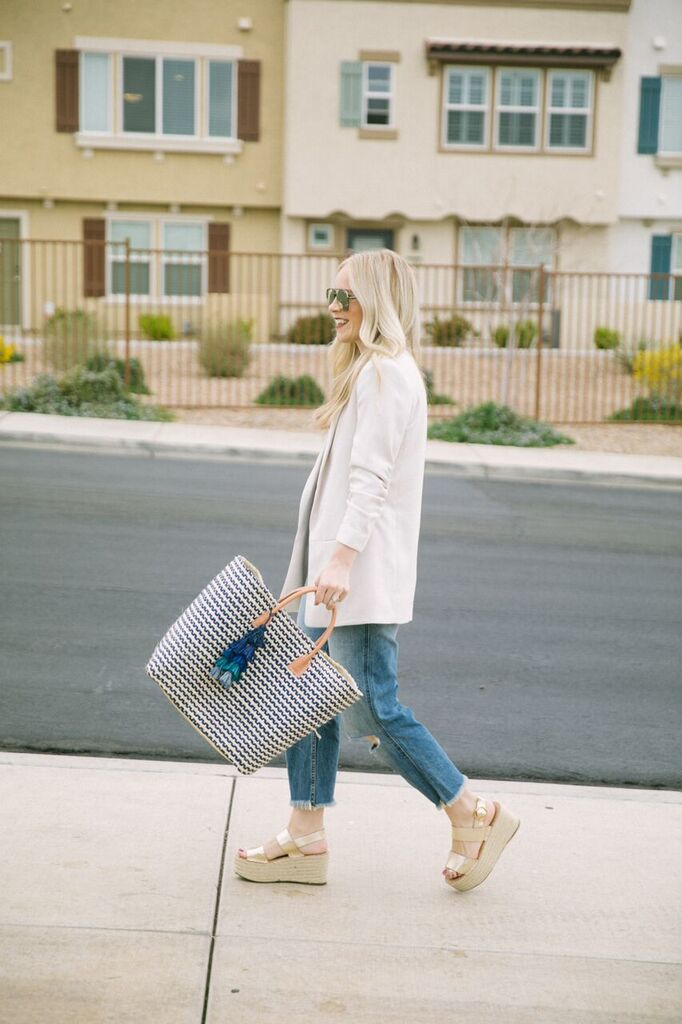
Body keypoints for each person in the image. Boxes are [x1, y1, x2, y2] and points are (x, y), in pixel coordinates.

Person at [235, 249, 520, 892]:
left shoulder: (388, 374)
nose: (332, 308)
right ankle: (305, 833)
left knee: (376, 711)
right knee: (307, 700)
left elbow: (371, 480)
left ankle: (473, 812)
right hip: (338, 574)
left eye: (347, 298)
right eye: (330, 295)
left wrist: (338, 559)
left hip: (353, 580)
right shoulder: (370, 371)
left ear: (378, 305)